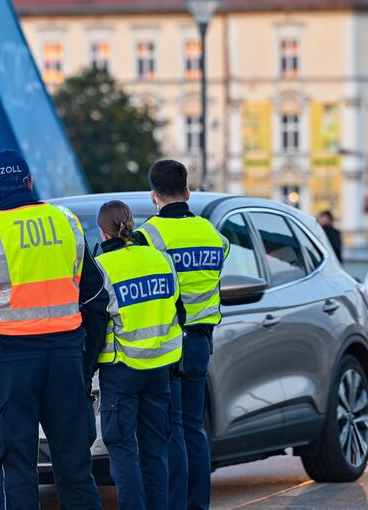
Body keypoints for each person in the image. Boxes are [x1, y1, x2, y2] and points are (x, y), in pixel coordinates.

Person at [0, 150, 108, 510]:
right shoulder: (65, 222)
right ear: (30, 182)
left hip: (12, 364)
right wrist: (85, 363)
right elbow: (97, 298)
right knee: (75, 467)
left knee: (16, 466)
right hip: (66, 358)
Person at [134, 160, 229, 510]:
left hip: (167, 344)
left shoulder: (147, 236)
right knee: (193, 427)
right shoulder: (212, 234)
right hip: (201, 342)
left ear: (153, 195)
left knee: (170, 429)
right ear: (187, 192)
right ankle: (197, 506)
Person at [91, 200, 186, 510]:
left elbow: (94, 326)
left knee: (122, 451)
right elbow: (178, 313)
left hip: (121, 371)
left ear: (103, 232)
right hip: (160, 369)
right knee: (155, 451)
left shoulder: (102, 268)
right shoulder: (161, 260)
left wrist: (84, 369)